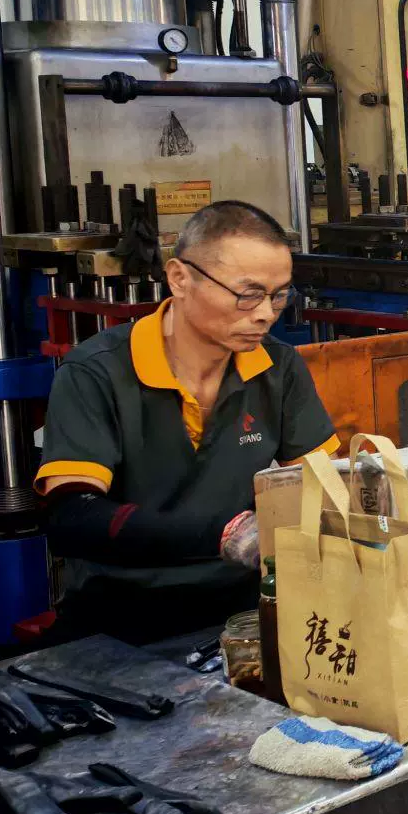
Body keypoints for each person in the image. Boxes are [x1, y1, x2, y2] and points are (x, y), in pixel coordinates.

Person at [34, 201, 338, 645]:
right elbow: (73, 517)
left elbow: (323, 485)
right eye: (248, 294)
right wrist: (225, 533)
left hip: (241, 611)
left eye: (278, 295)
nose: (265, 313)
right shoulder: (96, 373)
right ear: (179, 278)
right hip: (119, 616)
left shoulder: (278, 367)